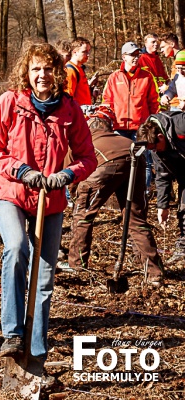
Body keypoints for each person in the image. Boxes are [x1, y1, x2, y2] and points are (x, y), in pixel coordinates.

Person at [0, 43, 97, 362]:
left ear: (57, 72)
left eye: (47, 68)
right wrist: (20, 169)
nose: (41, 74)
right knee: (16, 248)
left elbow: (88, 157)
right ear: (26, 73)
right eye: (35, 69)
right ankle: (12, 334)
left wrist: (68, 174)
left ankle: (36, 343)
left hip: (52, 199)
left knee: (44, 272)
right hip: (11, 193)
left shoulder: (68, 109)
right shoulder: (10, 103)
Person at [66, 107, 164, 287]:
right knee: (136, 219)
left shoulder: (82, 139)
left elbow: (72, 174)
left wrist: (75, 200)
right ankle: (153, 273)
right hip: (135, 156)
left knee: (83, 217)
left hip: (107, 163)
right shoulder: (120, 139)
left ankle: (77, 267)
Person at [103, 41, 159, 195]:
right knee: (120, 162)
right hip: (119, 128)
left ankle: (143, 192)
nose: (136, 57)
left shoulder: (147, 77)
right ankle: (122, 193)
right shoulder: (114, 77)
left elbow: (154, 102)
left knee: (145, 163)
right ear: (123, 57)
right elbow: (107, 102)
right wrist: (109, 122)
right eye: (132, 55)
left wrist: (152, 123)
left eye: (137, 54)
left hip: (140, 128)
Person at [137, 113, 185, 264]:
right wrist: (162, 206)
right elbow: (162, 176)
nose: (154, 152)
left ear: (161, 137)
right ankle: (183, 246)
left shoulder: (181, 125)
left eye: (154, 147)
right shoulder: (156, 150)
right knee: (184, 207)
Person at [65, 37, 93, 106]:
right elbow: (68, 98)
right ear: (75, 52)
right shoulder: (70, 70)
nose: (88, 55)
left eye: (88, 51)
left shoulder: (79, 68)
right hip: (77, 115)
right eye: (84, 52)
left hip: (84, 114)